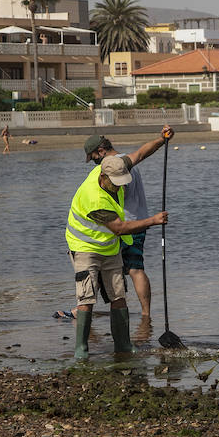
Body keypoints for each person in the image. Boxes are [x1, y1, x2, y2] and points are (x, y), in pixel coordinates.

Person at [65, 153, 168, 358]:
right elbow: (120, 228)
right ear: (103, 177)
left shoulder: (112, 167)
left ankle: (123, 345)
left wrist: (160, 139)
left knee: (119, 295)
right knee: (87, 298)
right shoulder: (94, 198)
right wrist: (153, 221)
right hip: (85, 248)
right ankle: (81, 350)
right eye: (116, 183)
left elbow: (139, 154)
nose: (121, 187)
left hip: (109, 248)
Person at [80, 127, 175, 321]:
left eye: (94, 158)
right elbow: (142, 152)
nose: (95, 164)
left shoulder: (110, 167)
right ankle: (146, 315)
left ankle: (82, 312)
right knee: (136, 269)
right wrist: (161, 139)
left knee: (98, 268)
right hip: (141, 222)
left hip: (122, 226)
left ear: (101, 152)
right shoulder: (126, 160)